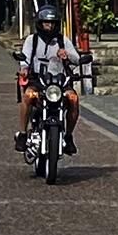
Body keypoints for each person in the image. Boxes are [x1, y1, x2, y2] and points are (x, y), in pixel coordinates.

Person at [16, 12, 81, 156]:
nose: (49, 26)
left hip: (60, 82)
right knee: (28, 96)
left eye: (52, 23)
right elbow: (24, 60)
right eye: (46, 22)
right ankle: (22, 133)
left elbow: (77, 58)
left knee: (73, 99)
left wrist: (67, 55)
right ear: (39, 23)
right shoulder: (31, 40)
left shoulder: (63, 40)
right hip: (37, 80)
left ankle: (68, 136)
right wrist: (24, 70)